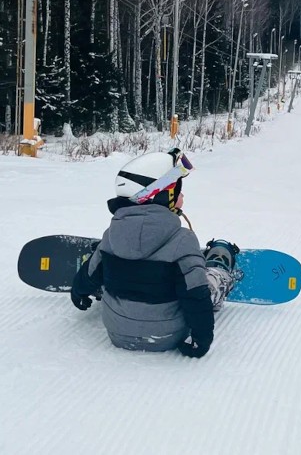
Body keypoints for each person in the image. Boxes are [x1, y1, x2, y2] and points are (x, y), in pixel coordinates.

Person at [70, 149, 240, 358]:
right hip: (167, 336)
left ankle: (110, 287)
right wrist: (201, 339)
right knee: (205, 283)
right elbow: (196, 297)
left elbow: (88, 275)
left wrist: (77, 292)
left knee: (103, 266)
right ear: (162, 195)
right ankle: (220, 269)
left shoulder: (110, 236)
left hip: (117, 334)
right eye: (177, 191)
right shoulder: (183, 241)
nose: (182, 196)